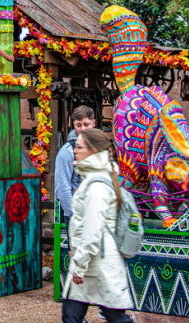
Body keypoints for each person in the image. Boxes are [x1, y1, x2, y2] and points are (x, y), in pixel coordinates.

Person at [62, 128, 135, 323]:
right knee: (73, 315)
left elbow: (92, 230)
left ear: (93, 151)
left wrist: (79, 265)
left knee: (111, 316)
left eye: (79, 147)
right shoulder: (95, 179)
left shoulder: (96, 186)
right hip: (95, 263)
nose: (74, 151)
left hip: (98, 263)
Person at [54, 106, 97, 226]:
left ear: (93, 123)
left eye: (86, 124)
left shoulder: (98, 148)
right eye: (79, 125)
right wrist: (73, 215)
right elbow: (62, 188)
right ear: (73, 124)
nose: (83, 129)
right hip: (77, 215)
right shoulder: (67, 152)